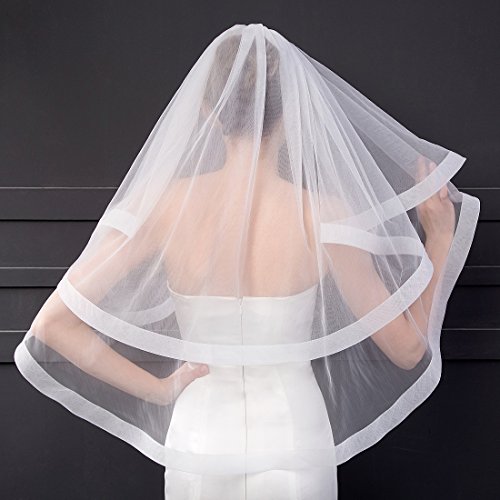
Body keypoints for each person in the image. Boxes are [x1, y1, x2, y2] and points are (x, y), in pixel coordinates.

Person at [14, 23, 480, 499]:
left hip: (200, 437)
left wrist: (160, 390)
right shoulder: (324, 217)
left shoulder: (165, 207)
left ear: (207, 111)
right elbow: (407, 350)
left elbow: (54, 325)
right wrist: (440, 237)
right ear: (292, 112)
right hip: (294, 437)